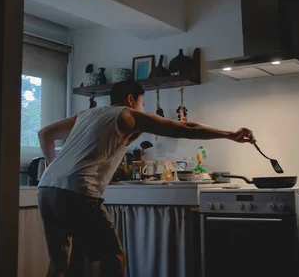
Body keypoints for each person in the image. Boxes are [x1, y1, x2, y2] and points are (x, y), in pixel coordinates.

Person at [37, 80, 256, 277]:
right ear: (131, 99)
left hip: (47, 188)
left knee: (59, 262)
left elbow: (45, 134)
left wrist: (54, 167)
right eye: (142, 103)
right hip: (77, 191)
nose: (143, 109)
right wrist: (230, 134)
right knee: (115, 260)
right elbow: (186, 127)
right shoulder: (129, 115)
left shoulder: (86, 115)